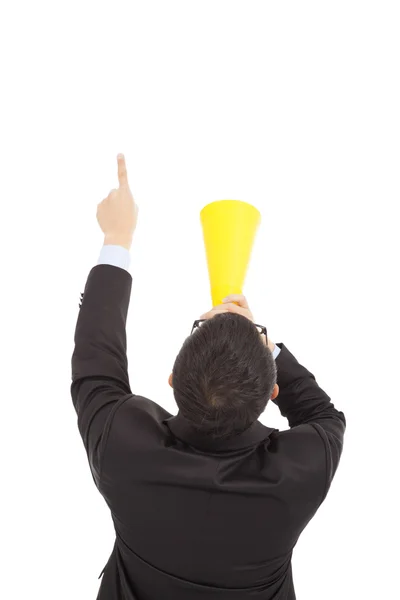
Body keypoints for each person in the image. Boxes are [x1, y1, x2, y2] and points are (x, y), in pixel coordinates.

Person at [71, 154, 346, 600]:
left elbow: (94, 358)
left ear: (173, 378)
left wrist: (116, 234)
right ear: (272, 392)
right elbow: (322, 413)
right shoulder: (304, 469)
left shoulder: (121, 443)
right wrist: (267, 345)